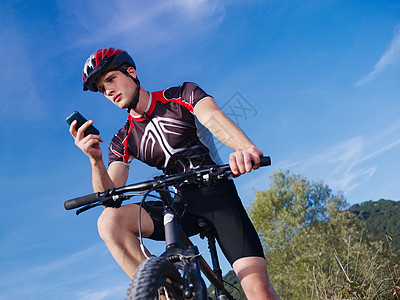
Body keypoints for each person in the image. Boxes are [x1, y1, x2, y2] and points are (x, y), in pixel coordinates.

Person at [70, 47, 279, 300]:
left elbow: (212, 117)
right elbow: (109, 197)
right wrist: (95, 160)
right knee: (109, 222)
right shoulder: (122, 139)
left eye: (111, 80)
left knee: (259, 292)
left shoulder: (181, 95)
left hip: (218, 195)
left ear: (131, 72)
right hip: (179, 204)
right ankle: (165, 291)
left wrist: (243, 148)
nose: (108, 91)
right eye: (103, 89)